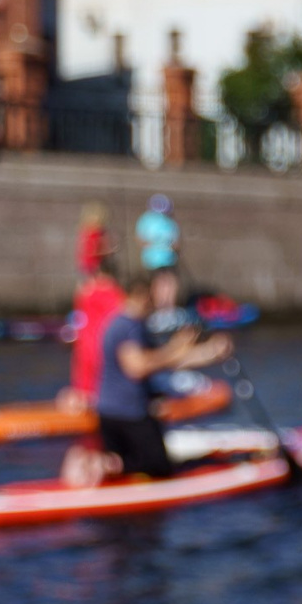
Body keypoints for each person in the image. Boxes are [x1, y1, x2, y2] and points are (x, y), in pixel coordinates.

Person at [84, 271, 230, 481]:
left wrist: (209, 353)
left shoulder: (130, 325)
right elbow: (138, 367)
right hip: (128, 413)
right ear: (142, 295)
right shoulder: (127, 325)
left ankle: (112, 465)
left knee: (137, 469)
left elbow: (164, 362)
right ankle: (105, 464)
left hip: (112, 411)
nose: (156, 304)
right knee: (159, 468)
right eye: (152, 297)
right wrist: (175, 347)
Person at [63, 262, 125, 408]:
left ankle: (86, 399)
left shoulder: (86, 293)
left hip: (89, 346)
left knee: (86, 388)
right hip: (99, 346)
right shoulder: (116, 294)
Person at [136, 194, 180, 275]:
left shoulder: (171, 222)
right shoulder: (145, 220)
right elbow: (140, 240)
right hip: (150, 262)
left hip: (168, 262)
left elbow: (176, 244)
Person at [75, 202, 111, 278]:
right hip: (92, 265)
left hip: (92, 265)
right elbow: (92, 250)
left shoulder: (91, 233)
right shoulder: (91, 234)